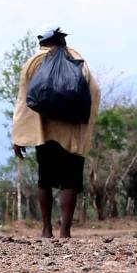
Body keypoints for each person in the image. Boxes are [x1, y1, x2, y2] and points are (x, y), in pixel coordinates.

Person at [12, 27, 100, 238]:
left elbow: (23, 101)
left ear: (43, 43)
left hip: (44, 131)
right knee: (70, 181)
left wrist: (19, 135)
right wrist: (84, 124)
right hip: (72, 132)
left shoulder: (33, 62)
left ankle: (46, 229)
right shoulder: (77, 59)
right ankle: (65, 231)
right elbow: (94, 92)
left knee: (45, 180)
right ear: (63, 42)